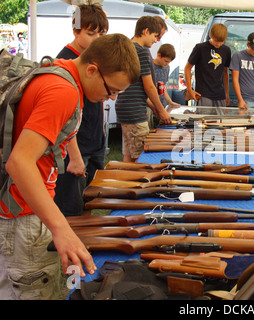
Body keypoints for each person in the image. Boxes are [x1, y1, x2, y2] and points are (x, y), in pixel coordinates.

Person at [0, 33, 140, 300]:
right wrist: (60, 229)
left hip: (25, 210)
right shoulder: (63, 91)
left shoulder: (60, 72)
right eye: (112, 90)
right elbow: (19, 162)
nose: (110, 98)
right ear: (92, 70)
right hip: (23, 215)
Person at [54, 3, 109, 217]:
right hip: (76, 147)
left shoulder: (93, 57)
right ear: (75, 31)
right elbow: (66, 119)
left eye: (102, 34)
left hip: (95, 140)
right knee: (72, 205)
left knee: (91, 200)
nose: (97, 39)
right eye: (91, 33)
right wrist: (74, 156)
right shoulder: (65, 61)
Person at [115, 16, 172, 162]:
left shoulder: (126, 47)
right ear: (146, 31)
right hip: (135, 112)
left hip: (124, 109)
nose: (156, 40)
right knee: (141, 158)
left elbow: (138, 87)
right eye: (155, 36)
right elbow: (149, 86)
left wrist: (155, 108)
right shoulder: (142, 51)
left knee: (128, 155)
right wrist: (161, 110)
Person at [184, 23, 231, 110]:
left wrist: (227, 93)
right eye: (216, 40)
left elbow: (225, 72)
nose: (218, 44)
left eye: (221, 42)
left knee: (219, 122)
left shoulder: (226, 50)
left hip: (220, 94)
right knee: (203, 121)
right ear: (211, 35)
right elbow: (187, 68)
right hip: (203, 93)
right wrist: (190, 89)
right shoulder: (200, 48)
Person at [230, 32, 254, 110]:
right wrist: (240, 100)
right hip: (245, 100)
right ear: (248, 45)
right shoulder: (238, 56)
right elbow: (235, 79)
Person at [151, 43, 180, 108]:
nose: (167, 64)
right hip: (150, 103)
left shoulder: (167, 68)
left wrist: (170, 101)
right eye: (166, 61)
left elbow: (163, 87)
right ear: (159, 55)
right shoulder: (150, 66)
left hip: (161, 103)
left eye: (169, 62)